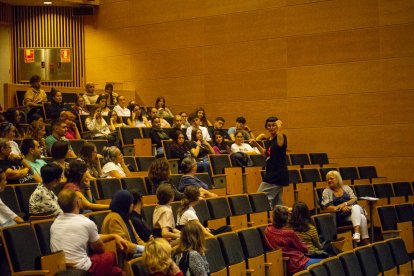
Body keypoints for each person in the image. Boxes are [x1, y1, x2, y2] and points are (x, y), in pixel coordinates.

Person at [50, 189, 126, 275]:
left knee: (115, 271)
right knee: (111, 256)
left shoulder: (54, 223)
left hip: (61, 268)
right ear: (78, 203)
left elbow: (92, 236)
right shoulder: (86, 222)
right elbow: (99, 248)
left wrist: (113, 236)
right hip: (81, 268)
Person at [265, 205, 323, 274]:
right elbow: (303, 248)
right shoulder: (289, 233)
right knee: (325, 263)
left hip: (281, 263)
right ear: (287, 218)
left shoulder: (267, 230)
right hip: (297, 262)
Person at [321, 170, 369, 244]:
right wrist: (339, 208)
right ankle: (365, 241)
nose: (329, 180)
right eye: (328, 179)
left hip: (352, 211)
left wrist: (345, 204)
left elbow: (354, 198)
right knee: (362, 217)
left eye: (331, 178)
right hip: (340, 216)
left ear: (338, 179)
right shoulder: (326, 191)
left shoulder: (346, 188)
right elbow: (326, 207)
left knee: (355, 207)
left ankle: (357, 233)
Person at [101, 190, 146, 258]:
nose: (132, 205)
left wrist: (148, 248)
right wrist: (143, 249)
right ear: (125, 204)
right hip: (123, 258)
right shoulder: (113, 218)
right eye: (131, 203)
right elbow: (123, 244)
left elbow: (137, 239)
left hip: (133, 253)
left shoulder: (126, 217)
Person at [257, 117, 289, 207]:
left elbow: (280, 144)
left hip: (276, 174)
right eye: (269, 126)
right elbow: (266, 154)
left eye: (273, 125)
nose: (271, 127)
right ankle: (279, 220)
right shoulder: (269, 140)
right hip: (271, 172)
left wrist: (279, 129)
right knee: (277, 204)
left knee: (260, 198)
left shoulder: (281, 136)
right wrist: (256, 145)